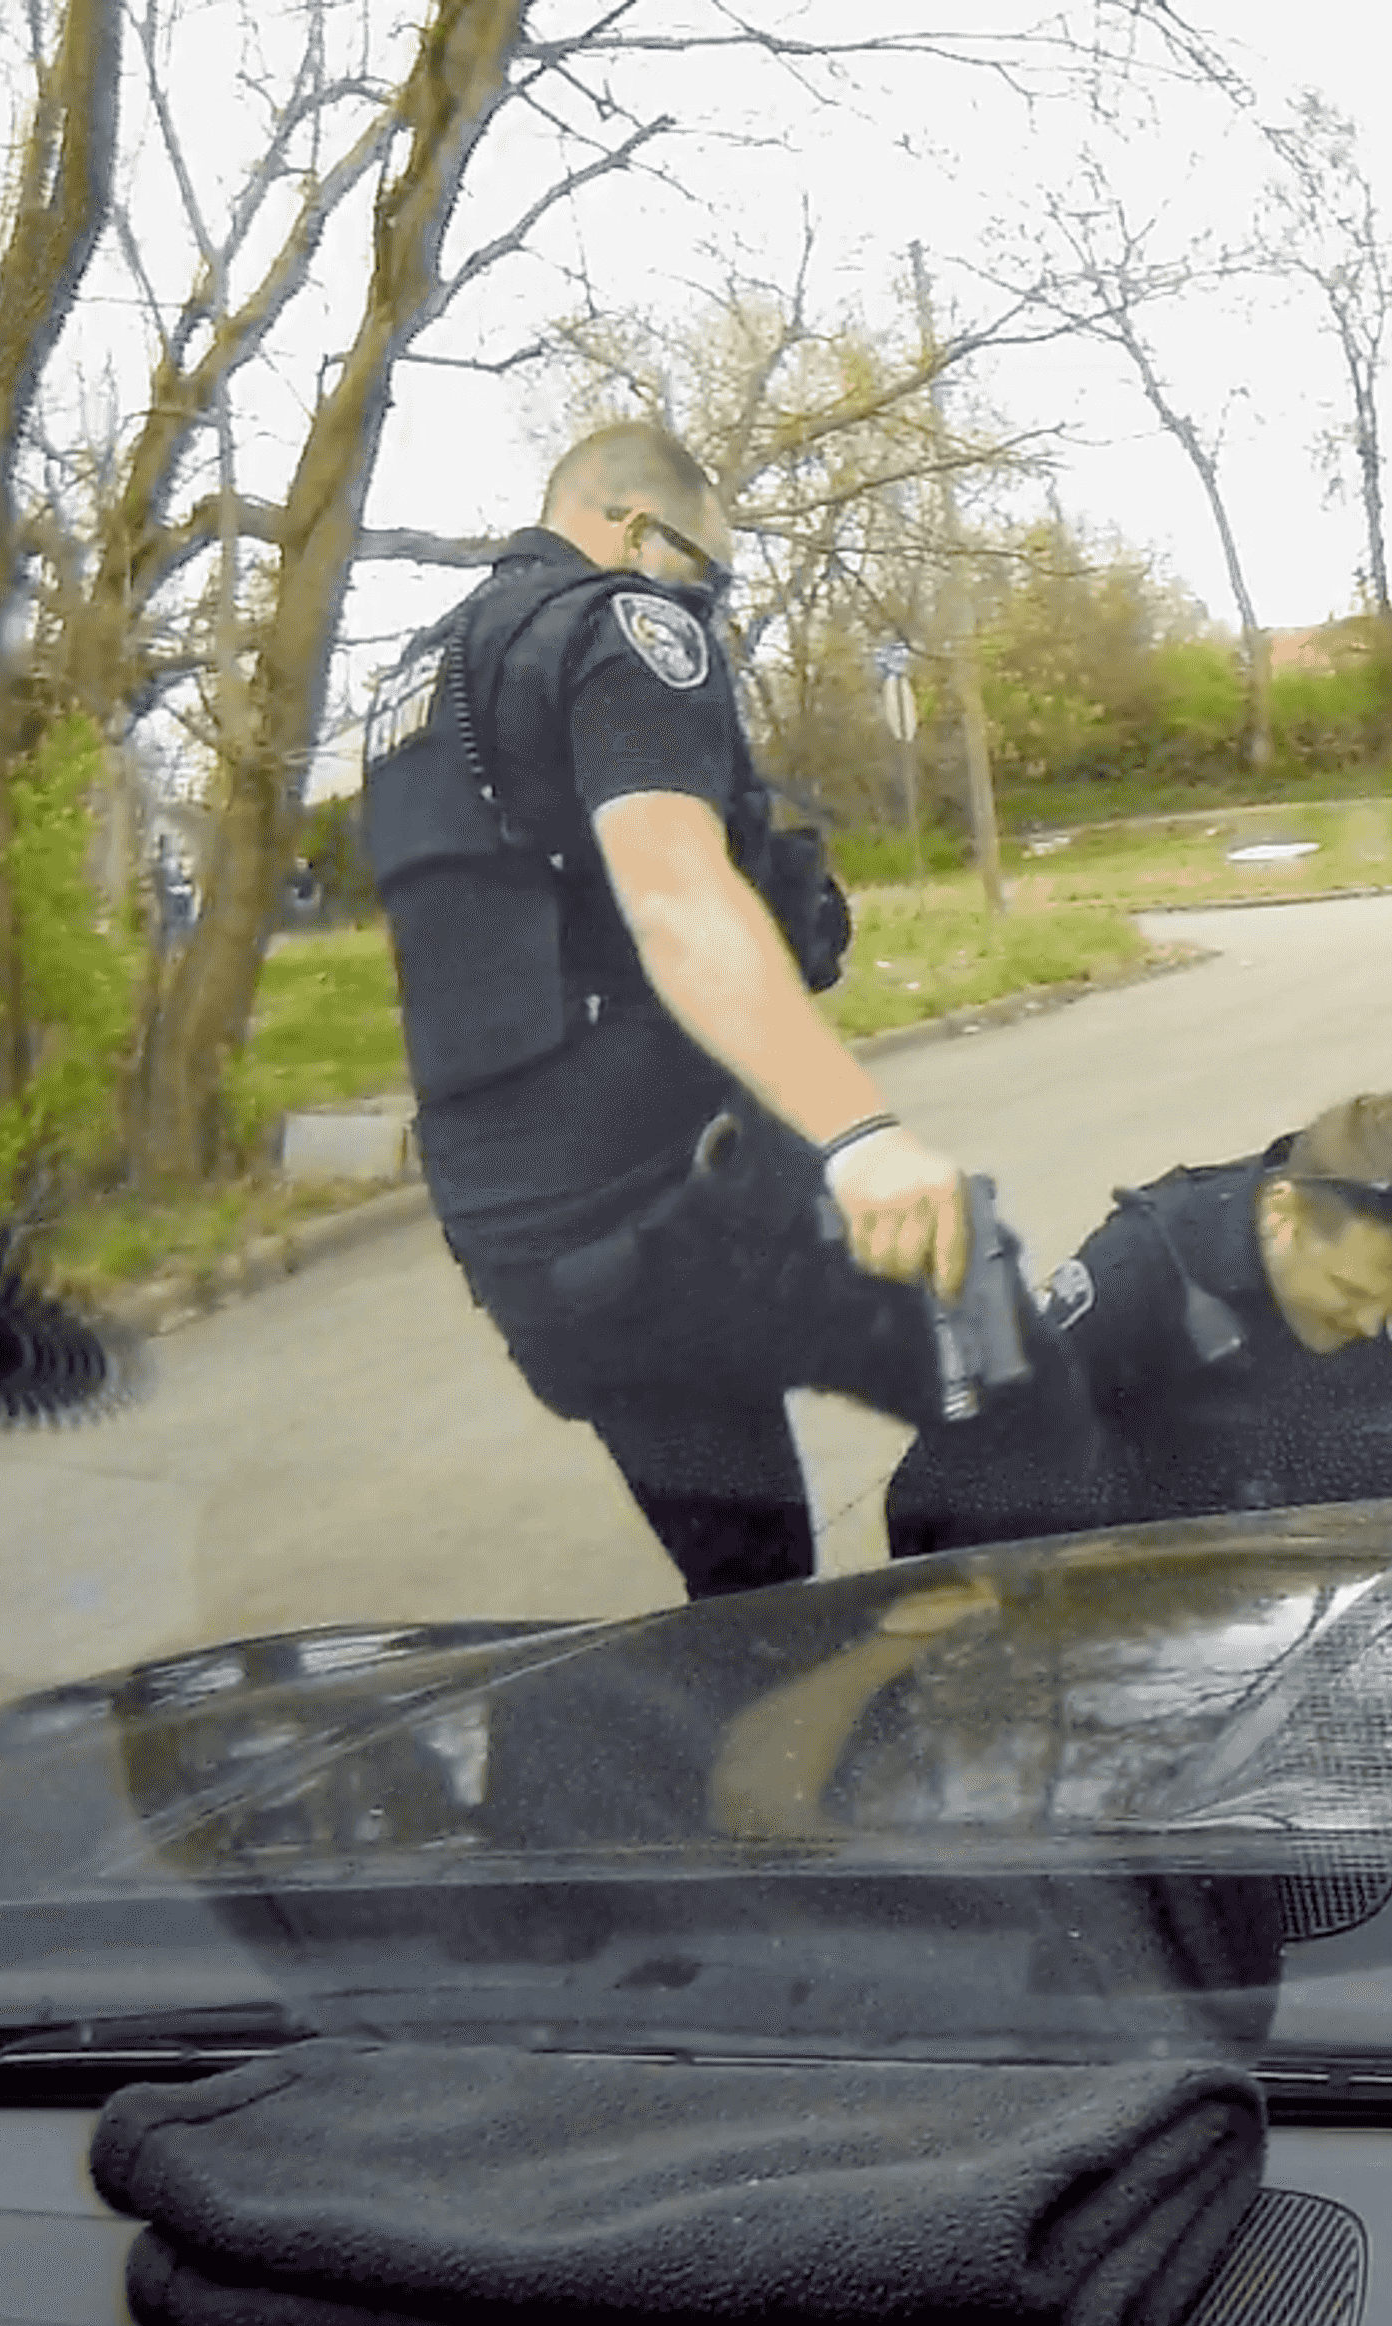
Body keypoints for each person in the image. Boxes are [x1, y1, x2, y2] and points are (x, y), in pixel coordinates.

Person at [359, 422, 1002, 1599]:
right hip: (669, 1194)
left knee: (748, 1587)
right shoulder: (619, 624)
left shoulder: (411, 685)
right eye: (708, 570)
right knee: (992, 1327)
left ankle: (778, 1740)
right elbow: (673, 895)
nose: (709, 605)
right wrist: (861, 1139)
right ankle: (959, 1641)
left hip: (518, 1235)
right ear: (636, 530)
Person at [883, 1093, 1392, 1555]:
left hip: (1373, 1592)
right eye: (1346, 1289)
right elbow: (953, 1479)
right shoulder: (1145, 1270)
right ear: (1283, 1212)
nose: (1368, 1323)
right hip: (1169, 1605)